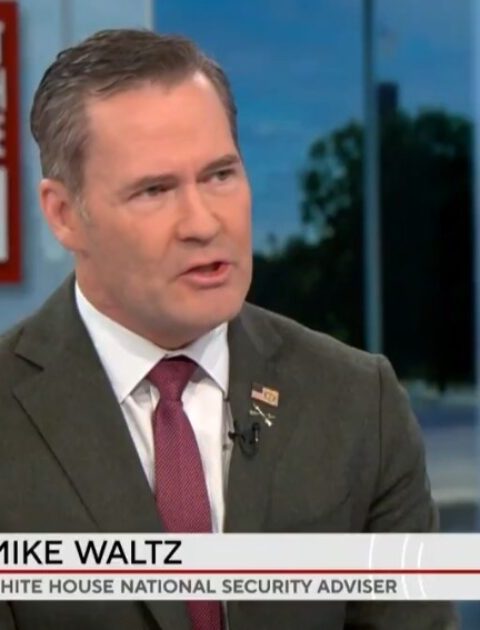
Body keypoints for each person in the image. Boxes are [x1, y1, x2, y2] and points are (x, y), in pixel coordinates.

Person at [0, 28, 456, 630]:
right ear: (65, 215)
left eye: (219, 175)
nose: (203, 222)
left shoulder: (358, 402)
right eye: (155, 190)